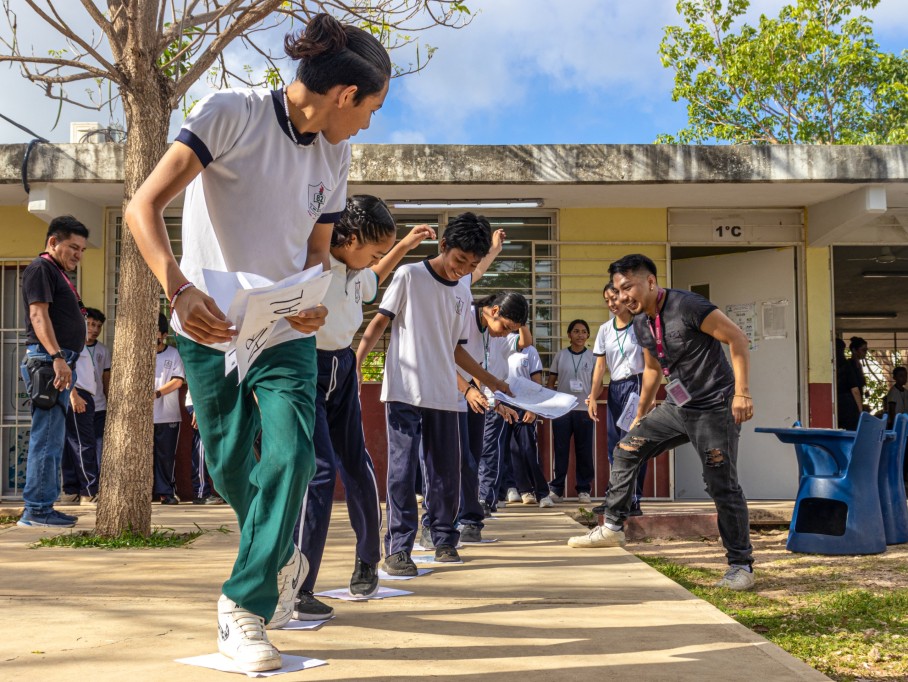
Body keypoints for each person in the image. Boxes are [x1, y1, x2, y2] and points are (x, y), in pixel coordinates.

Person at [125, 13, 391, 672]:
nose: (367, 124)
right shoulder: (229, 114)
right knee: (230, 467)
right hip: (206, 324)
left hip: (282, 331)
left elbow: (316, 250)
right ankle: (274, 554)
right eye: (372, 108)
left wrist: (308, 297)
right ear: (343, 96)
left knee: (295, 455)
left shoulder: (335, 150)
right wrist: (178, 288)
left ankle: (242, 607)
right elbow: (142, 207)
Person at [567, 254, 757, 593]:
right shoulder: (641, 322)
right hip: (677, 406)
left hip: (715, 407)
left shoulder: (688, 306)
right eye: (617, 291)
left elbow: (737, 339)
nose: (623, 297)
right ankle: (612, 525)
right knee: (627, 448)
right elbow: (653, 370)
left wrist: (741, 393)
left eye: (629, 288)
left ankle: (740, 565)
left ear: (651, 282)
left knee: (720, 484)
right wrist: (642, 414)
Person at [293, 196, 434, 621]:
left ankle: (367, 559)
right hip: (306, 367)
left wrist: (403, 247)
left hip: (343, 367)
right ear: (349, 238)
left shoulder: (357, 273)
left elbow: (374, 276)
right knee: (317, 472)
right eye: (373, 249)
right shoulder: (310, 265)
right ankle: (301, 585)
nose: (374, 259)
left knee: (358, 465)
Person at [356, 213, 511, 576]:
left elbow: (455, 349)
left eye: (472, 265)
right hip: (405, 391)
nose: (463, 269)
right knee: (402, 470)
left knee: (445, 472)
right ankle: (398, 549)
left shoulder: (462, 289)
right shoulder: (410, 275)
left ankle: (443, 537)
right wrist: (355, 365)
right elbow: (380, 321)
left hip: (444, 394)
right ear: (443, 246)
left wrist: (492, 381)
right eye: (460, 260)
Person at [16, 216, 88, 529]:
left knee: (53, 439)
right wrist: (57, 356)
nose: (78, 254)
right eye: (73, 247)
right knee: (46, 439)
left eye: (82, 250)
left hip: (56, 362)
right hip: (48, 362)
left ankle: (43, 506)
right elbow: (37, 314)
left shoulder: (54, 271)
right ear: (52, 242)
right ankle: (36, 510)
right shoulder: (41, 269)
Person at [589, 282, 646, 516]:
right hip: (615, 388)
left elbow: (652, 362)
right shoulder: (605, 329)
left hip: (637, 385)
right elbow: (600, 365)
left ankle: (633, 499)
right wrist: (593, 396)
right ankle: (614, 497)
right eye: (607, 300)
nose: (612, 304)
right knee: (614, 446)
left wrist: (647, 398)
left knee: (632, 444)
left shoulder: (641, 325)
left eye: (615, 298)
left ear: (626, 297)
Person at [471, 293, 529, 516]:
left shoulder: (498, 338)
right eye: (505, 326)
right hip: (474, 397)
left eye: (511, 329)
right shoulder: (471, 328)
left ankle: (485, 499)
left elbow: (525, 342)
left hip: (492, 400)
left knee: (489, 452)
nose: (505, 333)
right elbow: (471, 369)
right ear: (494, 311)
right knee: (475, 453)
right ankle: (474, 500)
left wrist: (496, 402)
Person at [546, 320, 596, 505]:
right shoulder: (561, 355)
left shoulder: (592, 357)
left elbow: (596, 384)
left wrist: (593, 399)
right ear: (569, 335)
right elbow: (551, 381)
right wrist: (551, 403)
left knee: (584, 451)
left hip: (584, 410)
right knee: (560, 451)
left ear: (588, 336)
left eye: (584, 332)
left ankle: (584, 490)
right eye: (576, 331)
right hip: (562, 410)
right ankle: (557, 489)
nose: (580, 335)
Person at [505, 333, 552, 507]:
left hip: (525, 406)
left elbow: (536, 381)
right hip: (503, 404)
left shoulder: (530, 351)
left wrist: (533, 408)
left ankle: (542, 492)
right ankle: (516, 489)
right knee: (509, 449)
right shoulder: (499, 346)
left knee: (527, 449)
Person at [60, 343, 99, 505]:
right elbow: (65, 365)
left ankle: (72, 490)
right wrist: (73, 394)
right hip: (77, 394)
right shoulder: (70, 335)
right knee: (82, 443)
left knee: (71, 443)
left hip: (78, 393)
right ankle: (88, 491)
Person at [153, 314, 185, 505]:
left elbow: (178, 380)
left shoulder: (173, 353)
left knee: (165, 456)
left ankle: (166, 492)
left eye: (155, 330)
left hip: (168, 414)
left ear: (164, 334)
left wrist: (156, 394)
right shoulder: (137, 354)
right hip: (143, 416)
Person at [183, 388, 224, 505]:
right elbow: (195, 377)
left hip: (219, 402)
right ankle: (201, 493)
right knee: (202, 444)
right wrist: (197, 407)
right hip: (199, 403)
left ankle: (226, 492)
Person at [84, 308, 111, 463]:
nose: (94, 329)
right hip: (80, 406)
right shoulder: (74, 347)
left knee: (99, 446)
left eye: (98, 326)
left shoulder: (103, 350)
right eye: (91, 324)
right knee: (82, 446)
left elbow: (106, 378)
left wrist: (109, 402)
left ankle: (98, 483)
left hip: (100, 407)